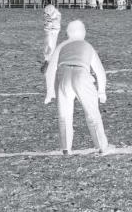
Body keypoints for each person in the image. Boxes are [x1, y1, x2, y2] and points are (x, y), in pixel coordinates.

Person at [44, 20, 109, 155]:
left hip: (63, 75)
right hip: (81, 74)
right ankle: (101, 146)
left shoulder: (62, 46)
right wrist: (102, 91)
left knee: (64, 116)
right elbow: (100, 71)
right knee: (92, 114)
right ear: (83, 32)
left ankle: (66, 148)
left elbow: (51, 69)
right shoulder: (87, 46)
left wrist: (50, 91)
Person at [41, 4, 61, 74]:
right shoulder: (57, 14)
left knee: (50, 45)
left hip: (51, 31)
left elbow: (49, 23)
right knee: (51, 45)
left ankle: (49, 64)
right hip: (53, 31)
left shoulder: (54, 16)